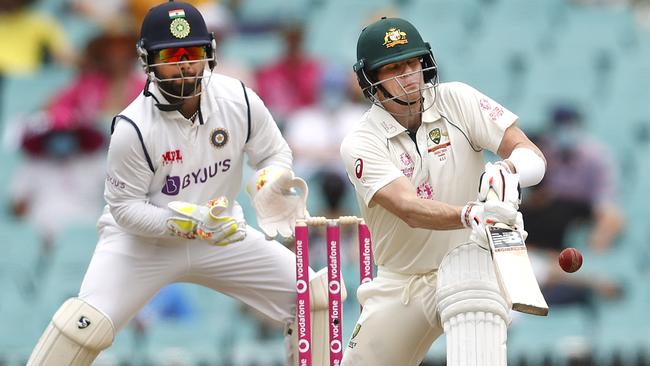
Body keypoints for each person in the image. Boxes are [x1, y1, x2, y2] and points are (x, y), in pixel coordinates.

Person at [26, 2, 339, 365]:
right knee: (82, 327)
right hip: (144, 244)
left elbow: (273, 153)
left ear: (209, 54)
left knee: (314, 297)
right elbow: (124, 209)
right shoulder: (133, 128)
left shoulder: (238, 99)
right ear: (148, 62)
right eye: (170, 55)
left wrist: (271, 182)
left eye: (192, 52)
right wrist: (181, 222)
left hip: (220, 235)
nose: (183, 64)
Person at [339, 17, 546, 365]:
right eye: (393, 68)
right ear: (371, 79)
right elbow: (408, 208)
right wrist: (471, 214)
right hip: (402, 282)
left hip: (471, 259)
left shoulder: (458, 99)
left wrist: (506, 172)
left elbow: (533, 158)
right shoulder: (360, 142)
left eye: (413, 62)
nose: (408, 74)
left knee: (476, 332)